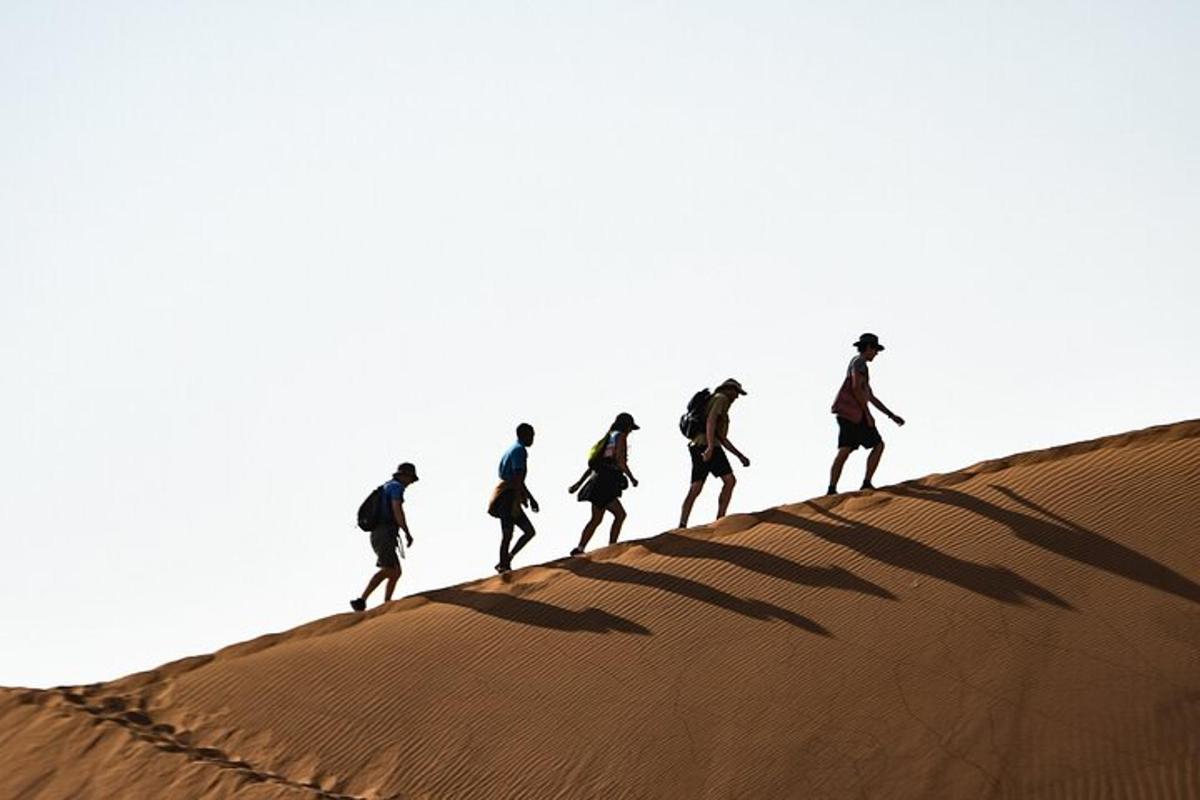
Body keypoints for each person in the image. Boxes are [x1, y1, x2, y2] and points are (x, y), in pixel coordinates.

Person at [828, 333, 905, 494]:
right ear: (868, 347)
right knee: (877, 445)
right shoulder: (860, 363)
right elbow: (857, 389)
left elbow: (869, 395)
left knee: (845, 449)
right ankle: (866, 483)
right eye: (875, 349)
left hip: (846, 412)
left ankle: (832, 488)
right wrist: (867, 414)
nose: (876, 353)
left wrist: (891, 415)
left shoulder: (858, 364)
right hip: (855, 413)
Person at [679, 379, 750, 527]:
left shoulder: (715, 400)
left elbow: (721, 437)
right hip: (707, 445)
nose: (736, 397)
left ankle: (682, 523)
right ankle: (720, 519)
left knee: (696, 486)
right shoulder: (721, 399)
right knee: (729, 481)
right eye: (736, 393)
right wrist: (710, 448)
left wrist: (739, 455)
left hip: (698, 445)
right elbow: (710, 422)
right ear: (729, 389)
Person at [568, 412, 640, 556]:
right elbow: (620, 460)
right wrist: (632, 478)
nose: (631, 431)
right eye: (630, 427)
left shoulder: (609, 437)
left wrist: (579, 483)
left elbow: (595, 464)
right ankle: (612, 548)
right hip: (606, 482)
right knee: (620, 515)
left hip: (597, 480)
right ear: (626, 426)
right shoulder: (620, 437)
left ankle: (580, 548)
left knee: (596, 519)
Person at [350, 462, 419, 611]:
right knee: (390, 569)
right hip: (384, 533)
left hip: (381, 533)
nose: (411, 483)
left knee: (395, 571)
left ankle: (387, 603)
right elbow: (397, 509)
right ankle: (361, 600)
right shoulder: (396, 487)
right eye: (411, 479)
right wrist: (406, 531)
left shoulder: (387, 486)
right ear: (404, 476)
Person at [487, 423, 540, 573]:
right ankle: (503, 566)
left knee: (528, 532)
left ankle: (506, 559)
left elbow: (518, 479)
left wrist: (527, 497)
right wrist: (522, 499)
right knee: (508, 533)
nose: (533, 439)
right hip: (507, 496)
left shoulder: (513, 449)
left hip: (510, 494)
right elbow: (517, 478)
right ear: (524, 435)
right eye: (531, 435)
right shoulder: (519, 451)